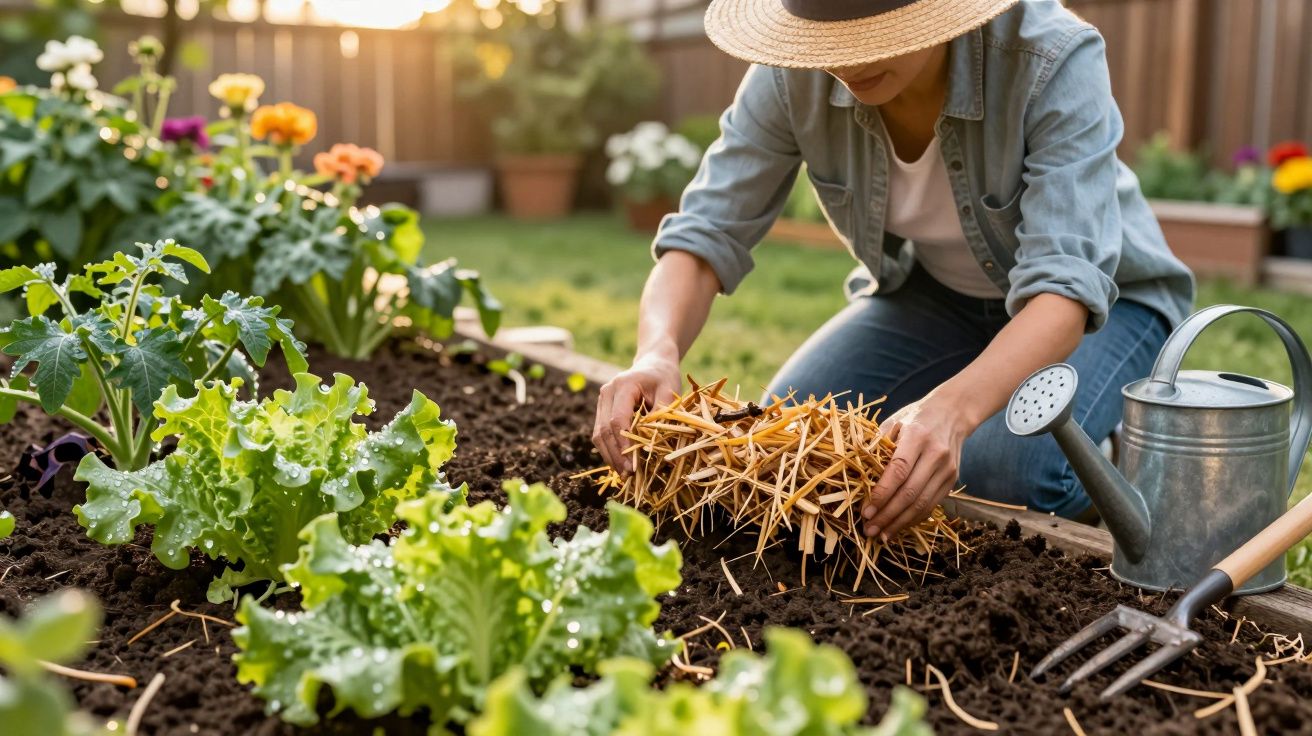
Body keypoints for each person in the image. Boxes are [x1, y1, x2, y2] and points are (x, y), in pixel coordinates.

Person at [592, 0, 1194, 541]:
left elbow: (1066, 289)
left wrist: (952, 410)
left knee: (1002, 472)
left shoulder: (1051, 56)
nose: (846, 61)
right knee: (795, 440)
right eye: (828, 39)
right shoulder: (790, 73)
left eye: (876, 33)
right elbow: (706, 233)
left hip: (1110, 308)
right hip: (938, 298)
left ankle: (1112, 447)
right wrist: (656, 352)